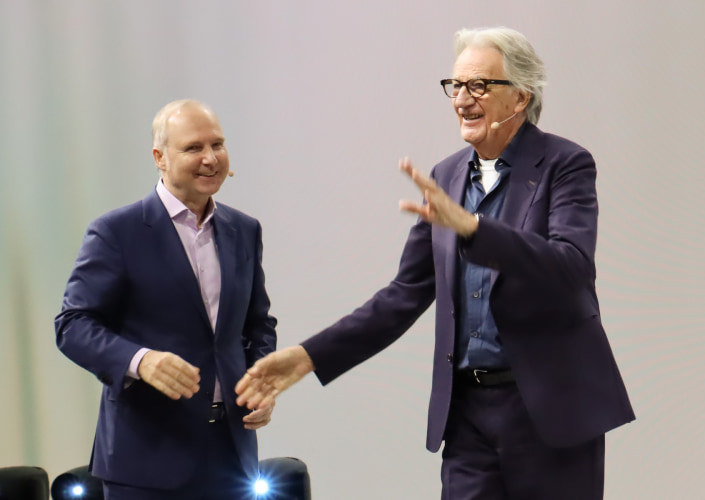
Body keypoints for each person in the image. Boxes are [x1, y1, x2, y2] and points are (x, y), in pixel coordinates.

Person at [236, 27, 634, 499]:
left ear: (520, 96)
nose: (462, 99)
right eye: (456, 85)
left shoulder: (564, 164)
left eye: (479, 86)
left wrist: (474, 229)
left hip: (550, 411)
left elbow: (570, 268)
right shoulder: (447, 177)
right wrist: (308, 357)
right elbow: (402, 296)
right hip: (467, 416)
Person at [55, 99, 277, 500]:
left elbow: (258, 324)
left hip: (233, 457)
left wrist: (261, 382)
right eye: (193, 148)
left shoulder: (244, 230)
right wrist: (140, 361)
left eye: (218, 144)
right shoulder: (116, 232)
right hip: (146, 462)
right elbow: (73, 325)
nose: (211, 158)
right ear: (160, 157)